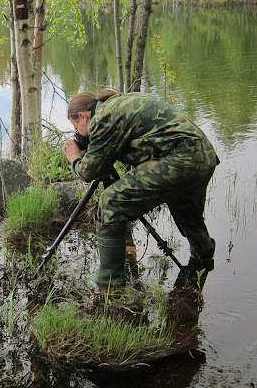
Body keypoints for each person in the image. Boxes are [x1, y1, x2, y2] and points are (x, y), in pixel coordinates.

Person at [62, 89, 219, 287]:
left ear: (83, 116)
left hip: (181, 159)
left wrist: (75, 157)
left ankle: (110, 284)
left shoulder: (103, 118)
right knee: (188, 213)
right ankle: (203, 262)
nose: (78, 132)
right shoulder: (118, 102)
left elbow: (88, 172)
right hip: (203, 156)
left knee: (111, 200)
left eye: (76, 126)